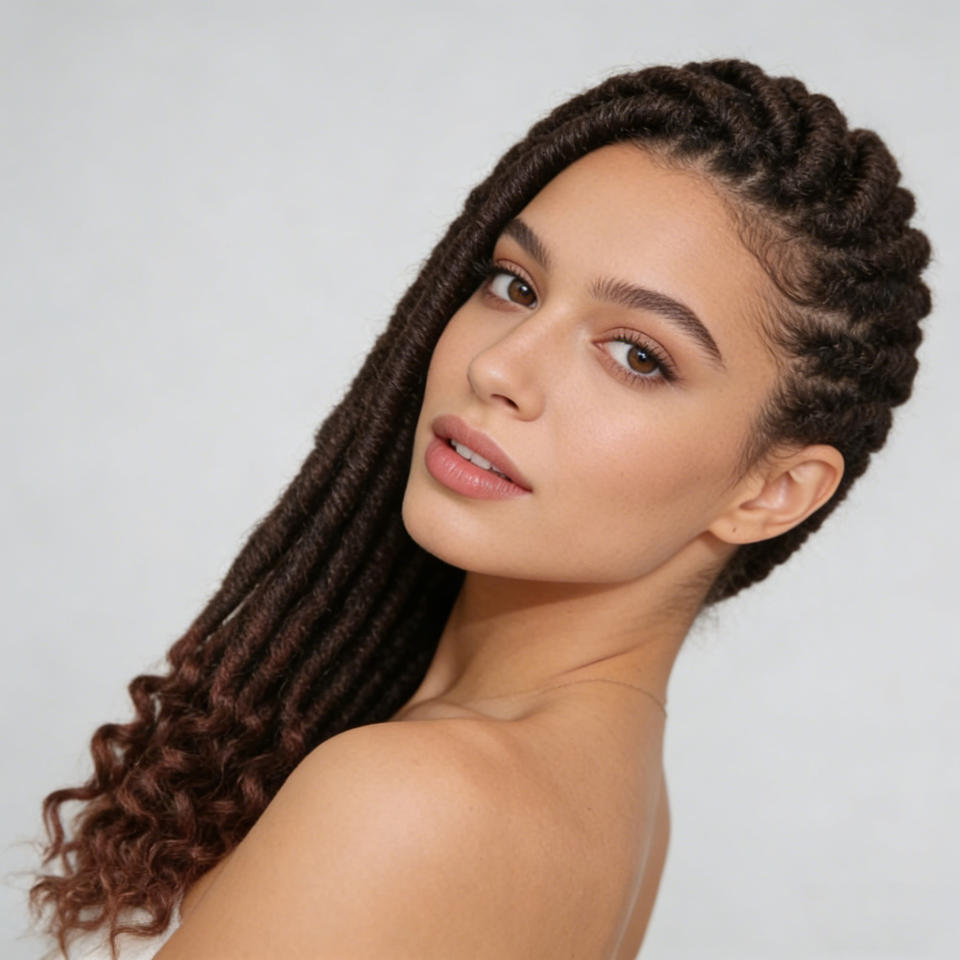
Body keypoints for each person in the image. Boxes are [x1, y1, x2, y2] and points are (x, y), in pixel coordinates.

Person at [31, 58, 931, 960]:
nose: (497, 366)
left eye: (637, 355)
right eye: (515, 285)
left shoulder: (416, 797)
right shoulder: (617, 806)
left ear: (771, 491)